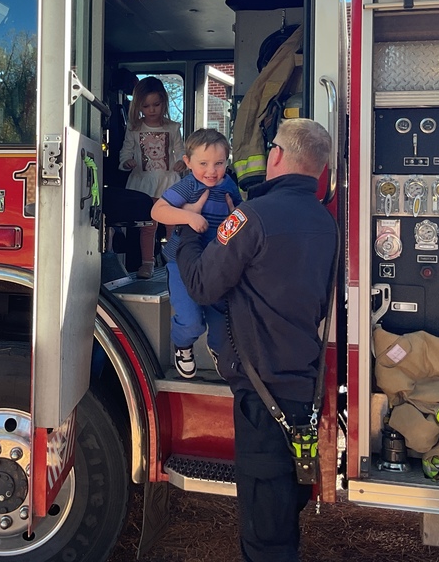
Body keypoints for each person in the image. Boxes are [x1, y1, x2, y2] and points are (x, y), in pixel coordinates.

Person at [176, 118, 337, 562]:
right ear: (320, 169)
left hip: (260, 389)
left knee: (266, 526)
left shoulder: (250, 216)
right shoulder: (326, 224)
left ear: (277, 157)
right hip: (300, 384)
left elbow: (204, 285)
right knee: (284, 501)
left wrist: (185, 236)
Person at [151, 128, 241, 378]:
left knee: (221, 317)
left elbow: (240, 214)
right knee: (191, 320)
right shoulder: (189, 186)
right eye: (203, 163)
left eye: (219, 163)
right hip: (181, 264)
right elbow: (157, 211)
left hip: (216, 264)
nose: (211, 171)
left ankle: (218, 350)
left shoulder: (229, 186)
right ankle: (182, 345)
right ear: (188, 162)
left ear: (227, 162)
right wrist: (189, 216)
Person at [118, 76, 184, 278]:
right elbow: (125, 152)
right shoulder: (134, 128)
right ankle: (147, 263)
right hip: (143, 184)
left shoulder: (172, 128)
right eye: (146, 106)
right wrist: (127, 162)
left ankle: (173, 260)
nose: (152, 109)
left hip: (168, 182)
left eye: (156, 104)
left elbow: (180, 151)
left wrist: (182, 162)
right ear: (139, 106)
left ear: (164, 102)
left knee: (172, 223)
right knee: (148, 225)